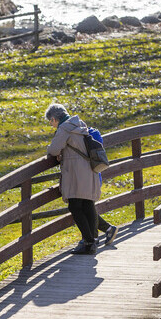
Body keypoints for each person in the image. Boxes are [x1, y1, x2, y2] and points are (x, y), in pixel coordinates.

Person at [45, 103, 118, 255]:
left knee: (75, 206)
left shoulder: (64, 128)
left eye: (50, 122)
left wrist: (53, 151)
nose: (51, 126)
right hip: (88, 170)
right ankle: (91, 242)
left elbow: (53, 149)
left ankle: (88, 242)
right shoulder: (78, 123)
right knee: (87, 204)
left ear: (54, 119)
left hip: (75, 173)